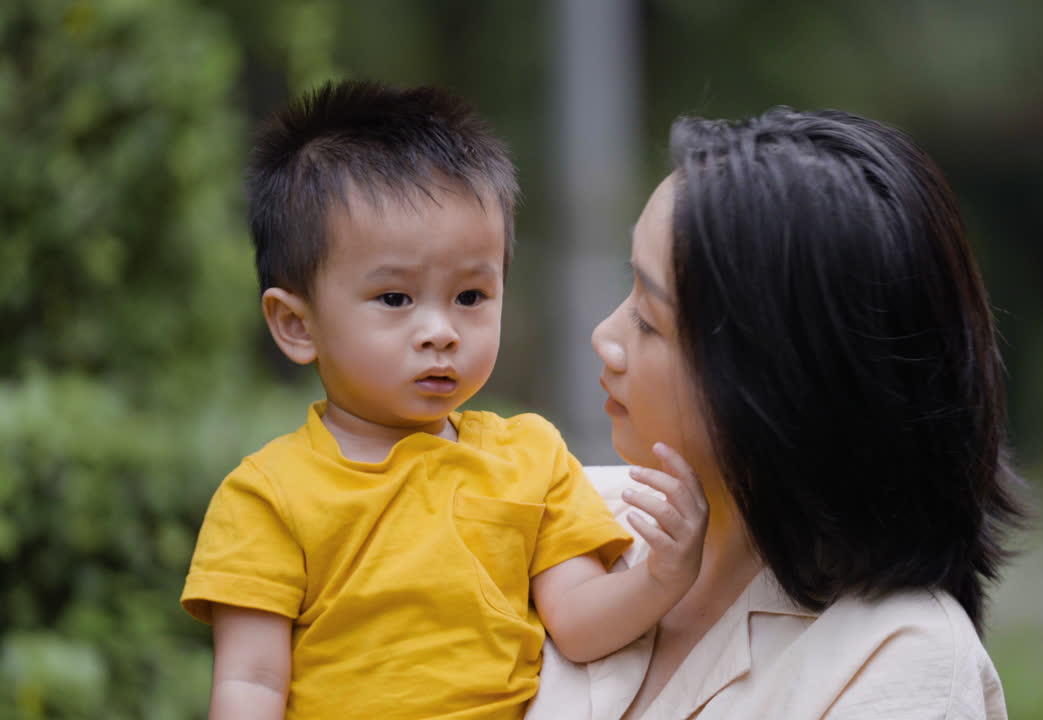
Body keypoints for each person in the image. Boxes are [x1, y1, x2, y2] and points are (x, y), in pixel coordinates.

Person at [180, 80, 708, 720]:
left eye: (470, 297)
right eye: (395, 299)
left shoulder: (530, 459)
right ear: (297, 324)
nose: (441, 331)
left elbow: (577, 622)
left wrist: (662, 577)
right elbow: (251, 684)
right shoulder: (268, 498)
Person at [529, 107, 1026, 719]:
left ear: (781, 380)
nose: (605, 337)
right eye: (629, 287)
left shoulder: (897, 662)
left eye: (649, 320)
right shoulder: (565, 519)